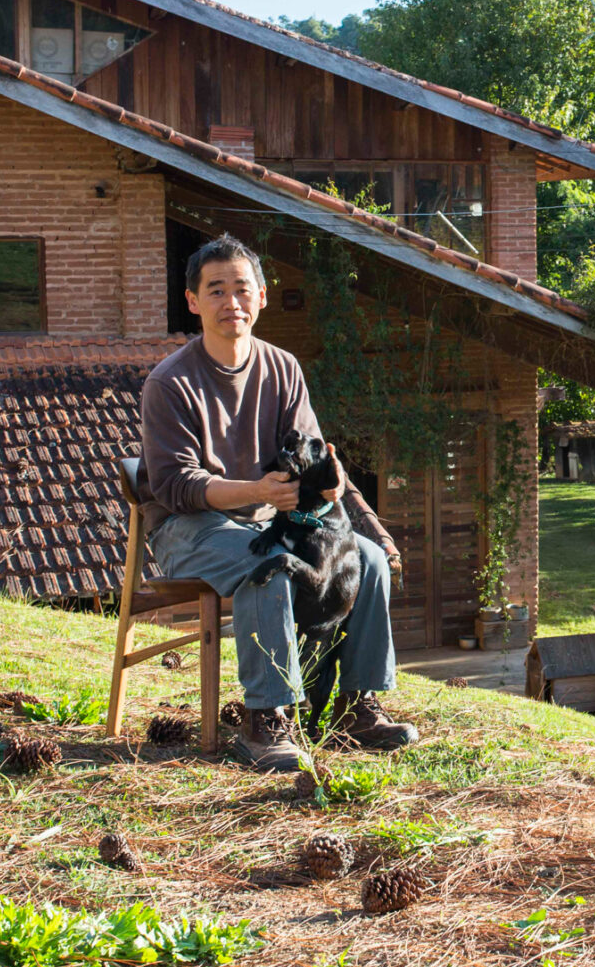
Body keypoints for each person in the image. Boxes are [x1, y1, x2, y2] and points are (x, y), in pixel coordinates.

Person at [137, 233, 419, 769]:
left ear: (262, 296)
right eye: (216, 290)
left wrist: (331, 483)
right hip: (189, 529)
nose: (232, 302)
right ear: (193, 301)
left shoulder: (283, 367)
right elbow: (176, 486)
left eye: (242, 288)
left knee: (369, 559)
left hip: (274, 522)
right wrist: (257, 491)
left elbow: (312, 455)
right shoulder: (169, 383)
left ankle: (357, 707)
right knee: (267, 568)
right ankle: (265, 719)